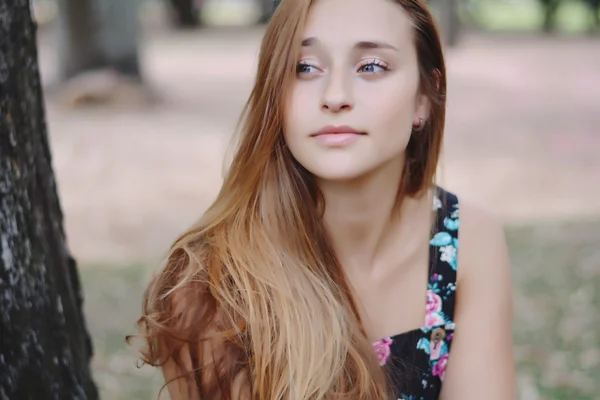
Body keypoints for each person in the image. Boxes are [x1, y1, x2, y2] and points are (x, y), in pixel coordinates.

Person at [131, 0, 516, 398]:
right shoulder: (212, 282)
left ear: (424, 96)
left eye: (371, 67)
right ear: (275, 93)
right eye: (305, 68)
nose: (335, 96)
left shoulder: (468, 240)